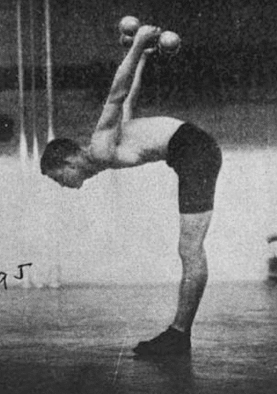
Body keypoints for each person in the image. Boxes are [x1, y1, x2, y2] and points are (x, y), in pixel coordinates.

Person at [40, 25, 222, 356]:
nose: (62, 186)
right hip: (192, 151)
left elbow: (115, 94)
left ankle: (179, 336)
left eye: (57, 178)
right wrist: (141, 59)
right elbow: (128, 98)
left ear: (67, 162)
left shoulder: (99, 147)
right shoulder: (108, 145)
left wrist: (137, 44)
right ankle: (179, 335)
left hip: (193, 150)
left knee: (190, 250)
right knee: (190, 249)